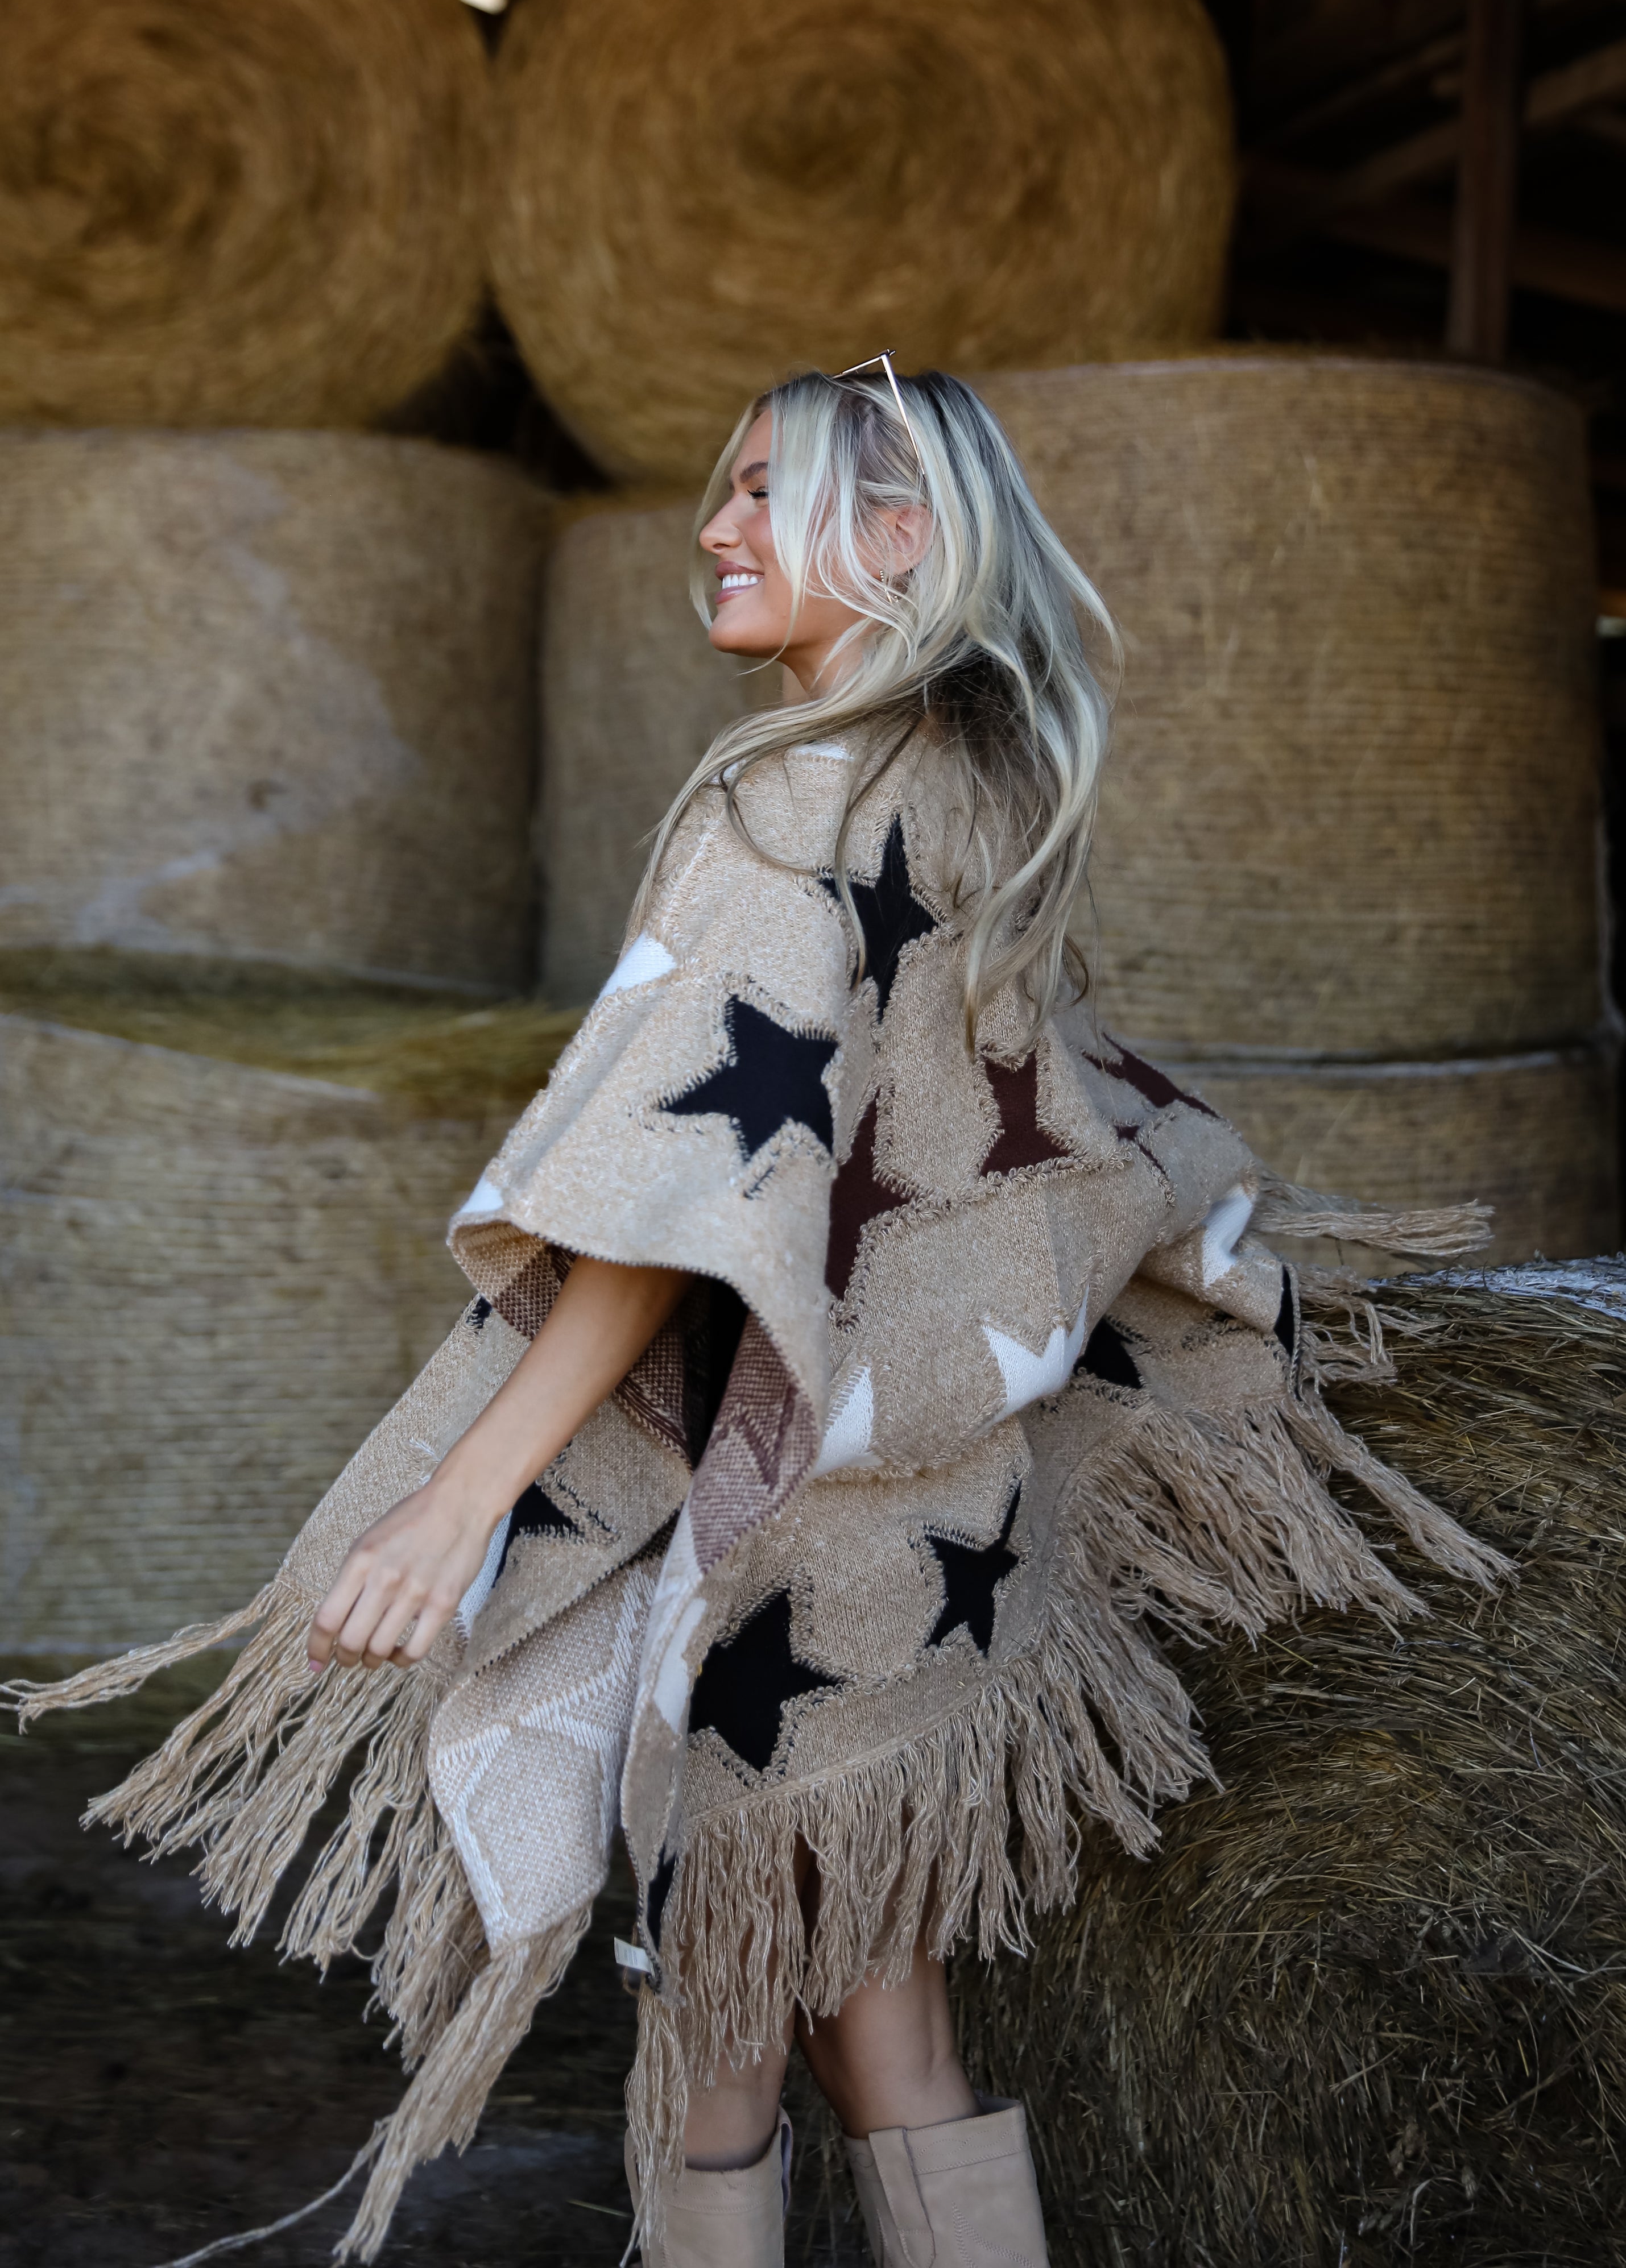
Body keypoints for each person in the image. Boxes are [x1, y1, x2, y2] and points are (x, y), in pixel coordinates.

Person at [11, 364, 1505, 2268]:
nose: (711, 529)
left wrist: (463, 1501)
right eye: (713, 490)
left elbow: (672, 1206)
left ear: (899, 542)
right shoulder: (979, 793)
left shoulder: (793, 804)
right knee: (891, 2030)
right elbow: (999, 1153)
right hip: (921, 1521)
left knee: (716, 2039)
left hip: (777, 1529)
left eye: (759, 494)